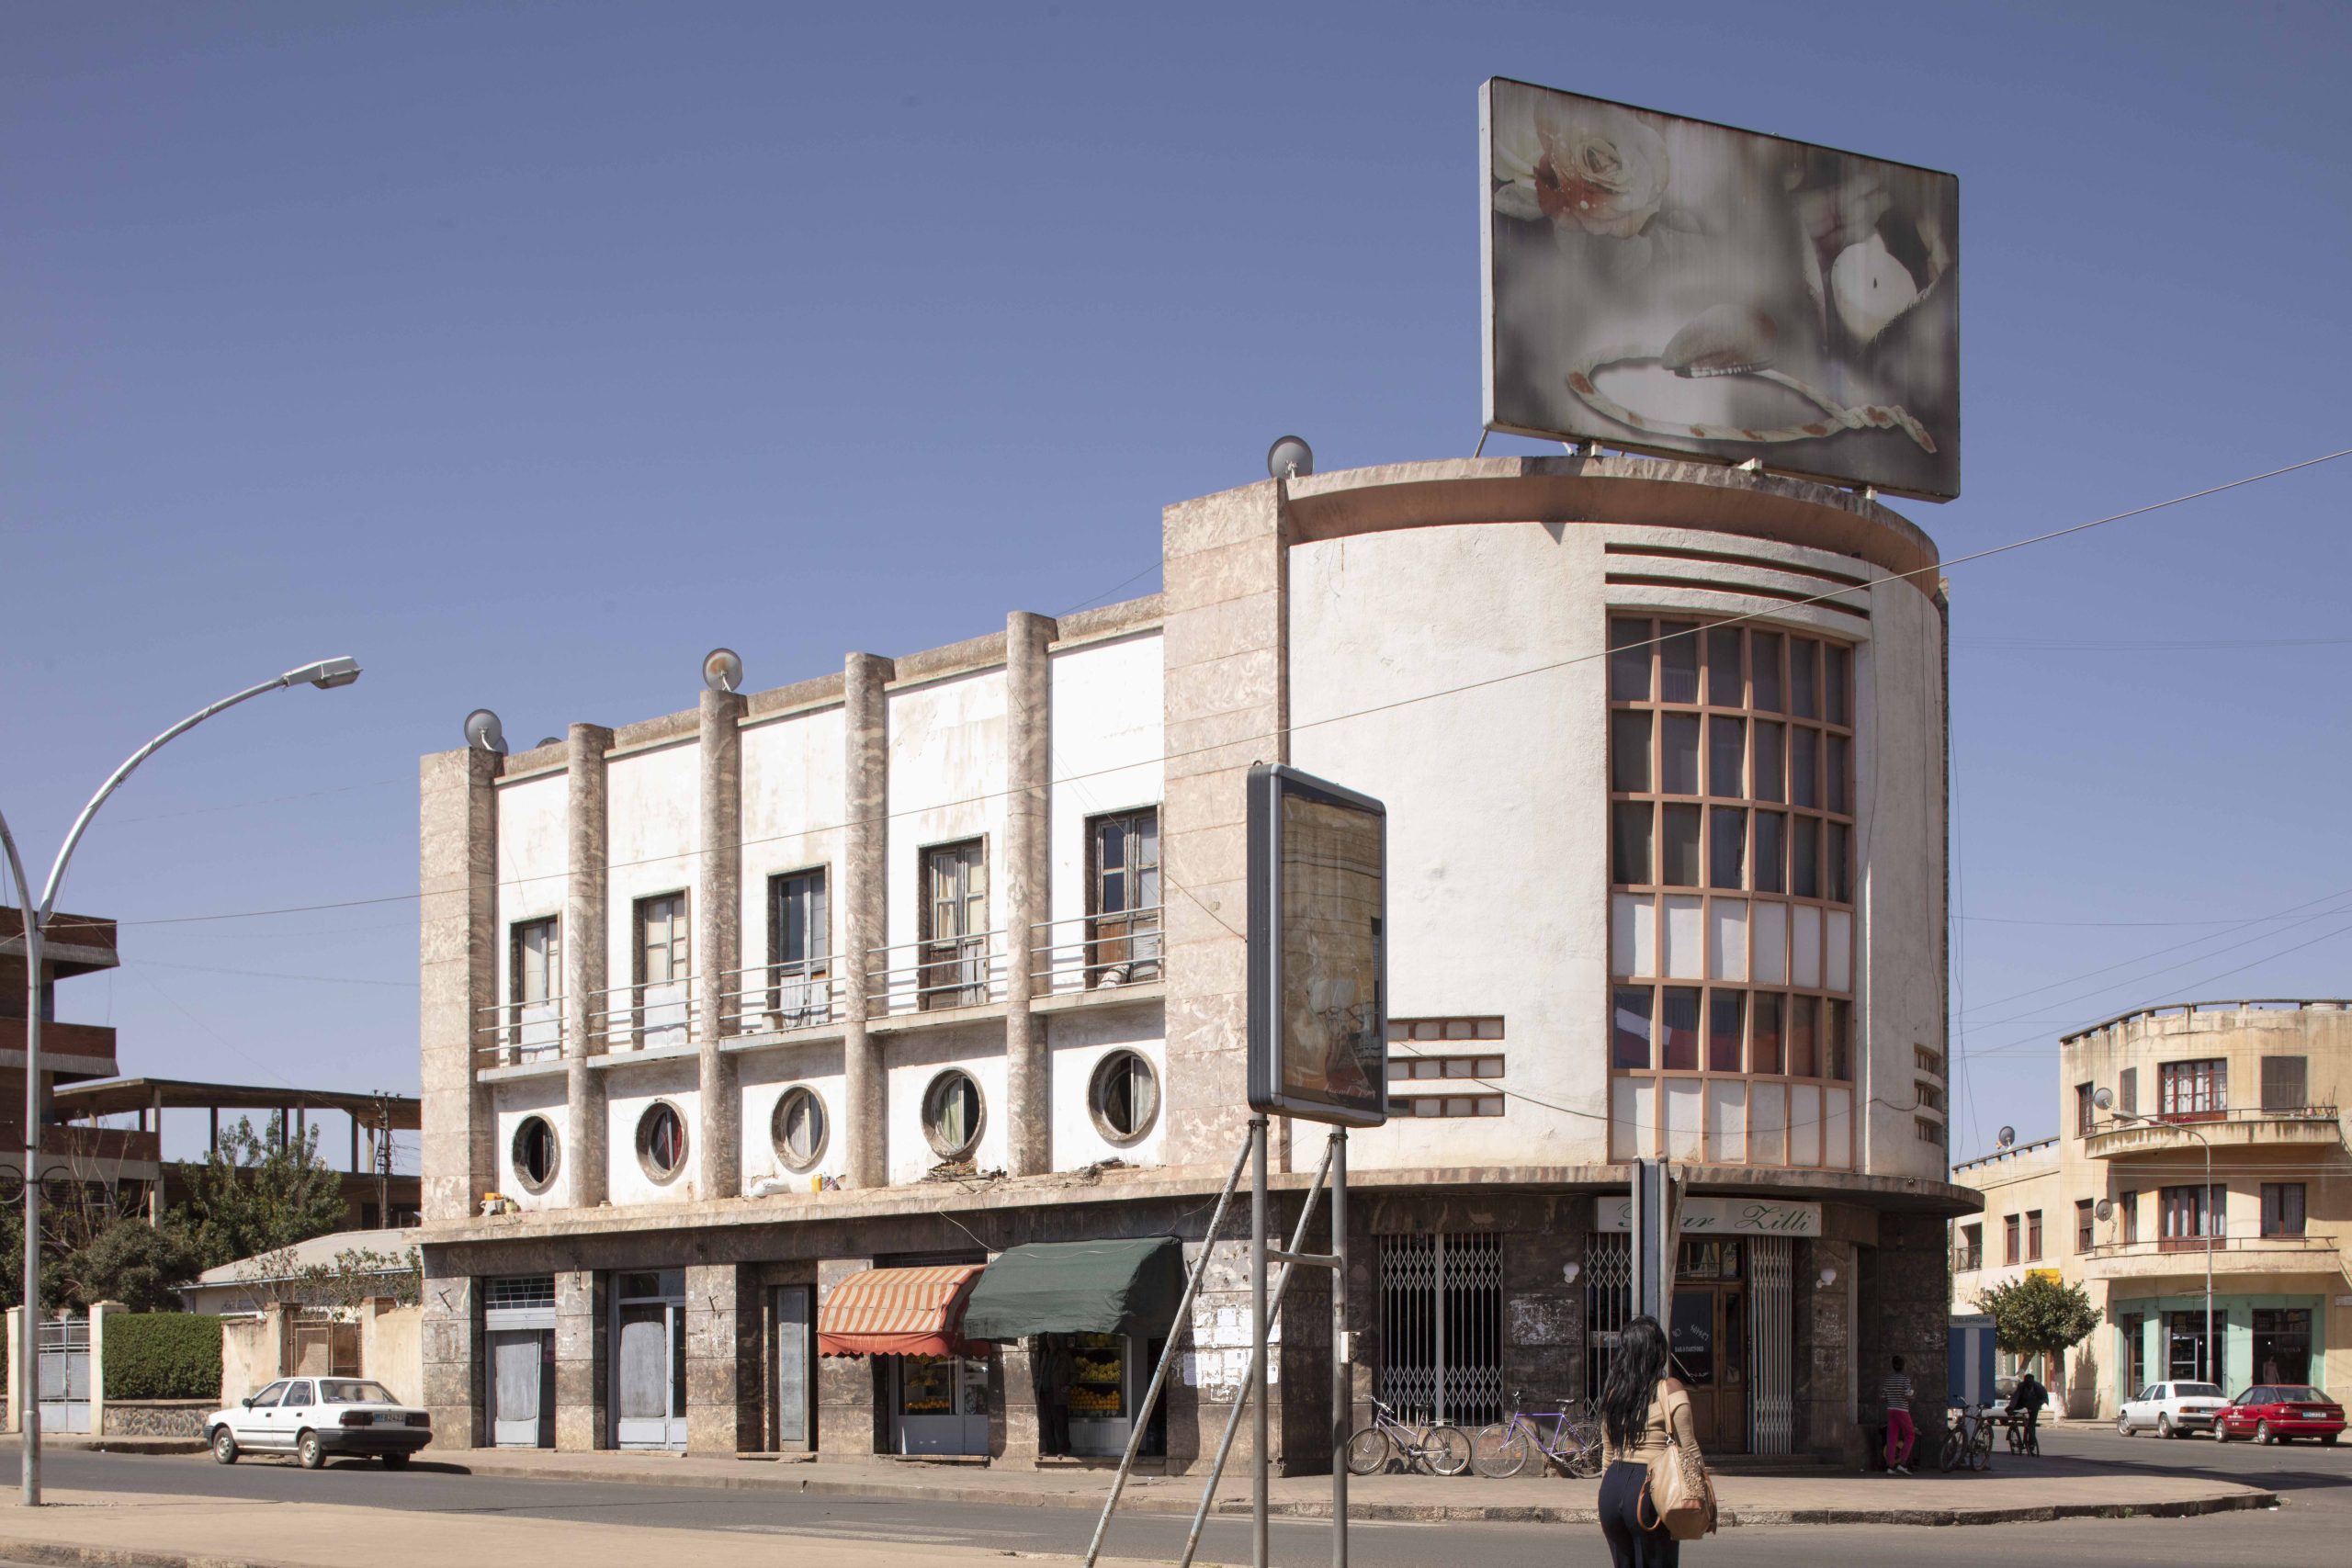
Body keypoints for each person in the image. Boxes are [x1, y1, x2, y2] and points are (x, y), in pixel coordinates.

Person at [1598, 1314, 1699, 1568]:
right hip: (1651, 1488)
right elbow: (1689, 1448)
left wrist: (1609, 1489)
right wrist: (1700, 1495)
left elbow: (1608, 1452)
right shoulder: (1670, 1388)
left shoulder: (1613, 1393)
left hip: (1611, 1487)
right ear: (1657, 1351)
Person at [1879, 1355, 1916, 1474]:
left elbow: (1882, 1396)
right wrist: (1911, 1395)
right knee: (1910, 1434)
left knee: (1892, 1437)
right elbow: (1907, 1394)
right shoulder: (1905, 1379)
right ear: (1903, 1366)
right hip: (1902, 1410)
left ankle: (1890, 1466)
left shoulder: (1888, 1379)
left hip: (1890, 1410)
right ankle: (1903, 1463)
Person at [2007, 1367, 2048, 1454]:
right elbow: (2016, 1397)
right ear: (2024, 1382)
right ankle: (2015, 1432)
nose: (2029, 1384)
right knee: (2012, 1411)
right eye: (2027, 1382)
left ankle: (2031, 1445)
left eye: (2030, 1382)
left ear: (2033, 1382)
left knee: (2031, 1426)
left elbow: (2044, 1398)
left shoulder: (2038, 1387)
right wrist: (2011, 1406)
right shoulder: (2021, 1386)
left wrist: (2038, 1404)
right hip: (2022, 1404)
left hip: (2034, 1405)